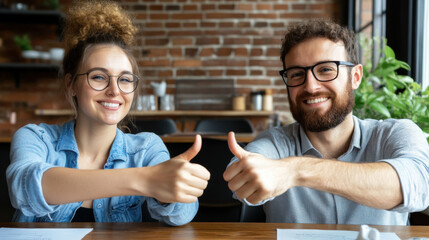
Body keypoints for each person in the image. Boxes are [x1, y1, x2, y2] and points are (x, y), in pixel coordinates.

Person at [7, 0, 210, 224]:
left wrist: (175, 187)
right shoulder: (36, 138)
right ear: (71, 84)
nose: (114, 91)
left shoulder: (146, 148)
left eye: (124, 79)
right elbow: (25, 189)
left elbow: (181, 215)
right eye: (98, 77)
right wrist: (146, 180)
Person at [223, 19, 429, 225]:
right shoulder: (275, 144)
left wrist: (295, 171)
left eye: (326, 70)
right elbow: (245, 177)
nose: (311, 87)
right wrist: (246, 174)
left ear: (355, 76)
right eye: (296, 74)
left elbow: (419, 184)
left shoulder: (395, 133)